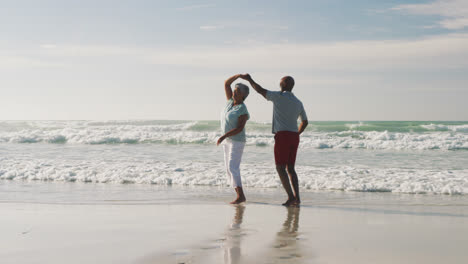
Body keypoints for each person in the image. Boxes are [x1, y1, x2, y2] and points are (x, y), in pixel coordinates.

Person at [240, 74, 308, 206]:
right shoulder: (298, 102)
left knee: (280, 168)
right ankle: (297, 198)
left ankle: (291, 197)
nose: (279, 83)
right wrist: (297, 133)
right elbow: (305, 122)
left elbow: (260, 90)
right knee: (291, 168)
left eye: (280, 82)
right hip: (294, 136)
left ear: (283, 85)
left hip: (283, 136)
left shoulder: (278, 96)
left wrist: (249, 79)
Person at [217, 74, 250, 204]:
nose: (234, 93)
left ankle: (241, 196)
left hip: (237, 140)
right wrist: (238, 76)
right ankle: (238, 194)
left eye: (237, 92)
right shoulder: (230, 102)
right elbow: (226, 84)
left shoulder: (243, 109)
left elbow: (240, 128)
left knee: (232, 167)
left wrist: (224, 135)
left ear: (243, 95)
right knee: (228, 168)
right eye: (234, 91)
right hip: (228, 140)